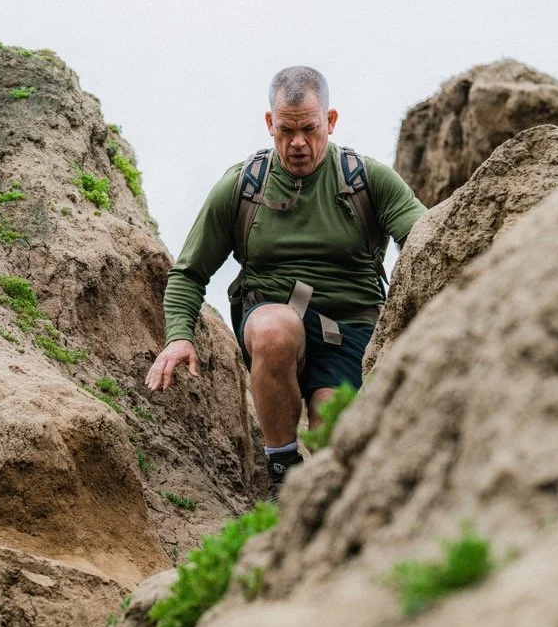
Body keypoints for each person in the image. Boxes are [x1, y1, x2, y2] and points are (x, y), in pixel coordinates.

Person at [144, 66, 426, 498]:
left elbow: (429, 241)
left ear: (329, 122)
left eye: (309, 129)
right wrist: (178, 337)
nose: (297, 143)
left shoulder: (367, 180)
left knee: (332, 433)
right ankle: (282, 472)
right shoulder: (242, 186)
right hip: (274, 318)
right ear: (269, 124)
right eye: (286, 130)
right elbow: (189, 273)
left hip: (352, 329)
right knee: (275, 328)